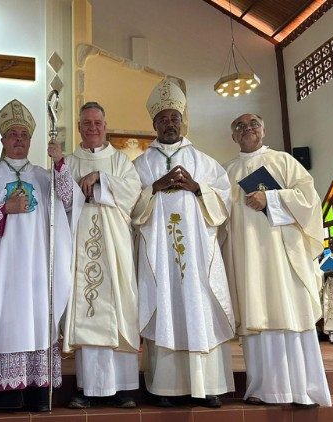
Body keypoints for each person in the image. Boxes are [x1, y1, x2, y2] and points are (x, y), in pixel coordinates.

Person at [0, 99, 82, 414]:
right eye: (12, 134)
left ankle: (37, 392)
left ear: (30, 140)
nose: (18, 139)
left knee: (36, 321)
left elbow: (69, 202)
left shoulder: (44, 176)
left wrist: (60, 165)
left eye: (24, 135)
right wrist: (2, 209)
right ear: (2, 140)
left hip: (36, 268)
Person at [132, 79, 235, 408]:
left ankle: (210, 386)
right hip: (159, 257)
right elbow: (129, 206)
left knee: (197, 306)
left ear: (182, 121)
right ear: (154, 124)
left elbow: (225, 200)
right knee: (164, 304)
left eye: (174, 118)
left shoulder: (204, 161)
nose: (169, 124)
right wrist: (154, 187)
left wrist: (198, 188)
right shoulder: (140, 165)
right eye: (163, 119)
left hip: (198, 253)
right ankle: (166, 387)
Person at [222, 113, 331, 407]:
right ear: (233, 137)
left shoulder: (284, 161)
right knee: (256, 314)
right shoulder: (226, 172)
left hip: (282, 255)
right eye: (240, 127)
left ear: (263, 129)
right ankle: (262, 388)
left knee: (289, 312)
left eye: (253, 124)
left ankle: (303, 390)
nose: (247, 129)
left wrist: (270, 198)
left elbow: (309, 201)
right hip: (246, 259)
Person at [62, 102, 141, 409]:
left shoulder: (120, 161)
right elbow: (61, 201)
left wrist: (100, 178)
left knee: (119, 308)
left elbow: (132, 195)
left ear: (105, 126)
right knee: (86, 308)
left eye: (97, 122)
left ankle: (122, 387)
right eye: (86, 123)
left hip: (114, 244)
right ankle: (87, 387)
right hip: (81, 244)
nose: (92, 127)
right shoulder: (68, 161)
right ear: (79, 127)